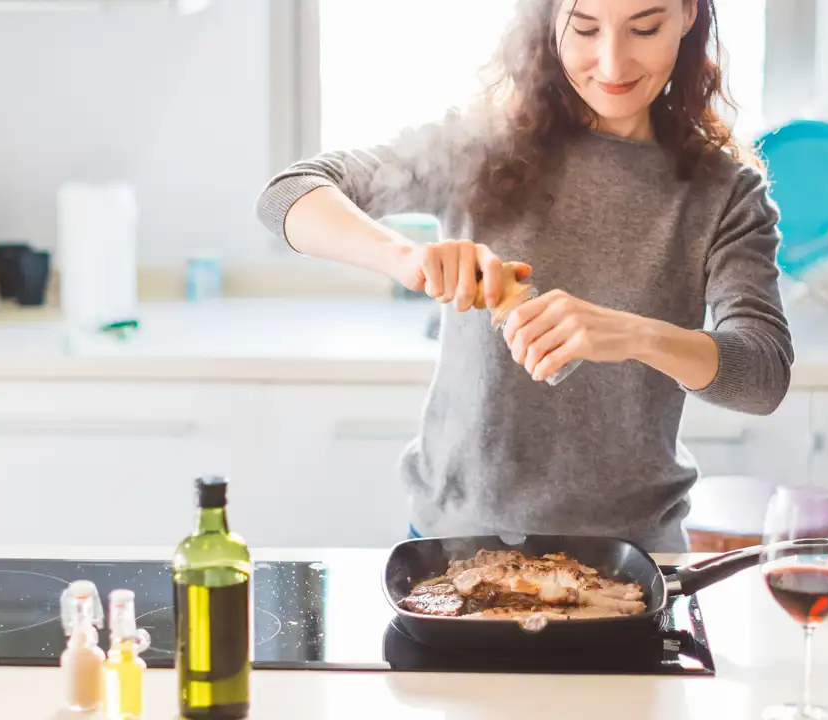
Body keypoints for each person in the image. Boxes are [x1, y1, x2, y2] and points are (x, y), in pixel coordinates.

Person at [255, 0, 793, 552]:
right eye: (584, 28)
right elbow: (287, 195)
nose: (612, 63)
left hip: (633, 556)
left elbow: (763, 377)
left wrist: (636, 334)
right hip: (454, 543)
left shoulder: (724, 193)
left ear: (686, 16)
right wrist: (411, 260)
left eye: (645, 27)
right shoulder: (480, 148)